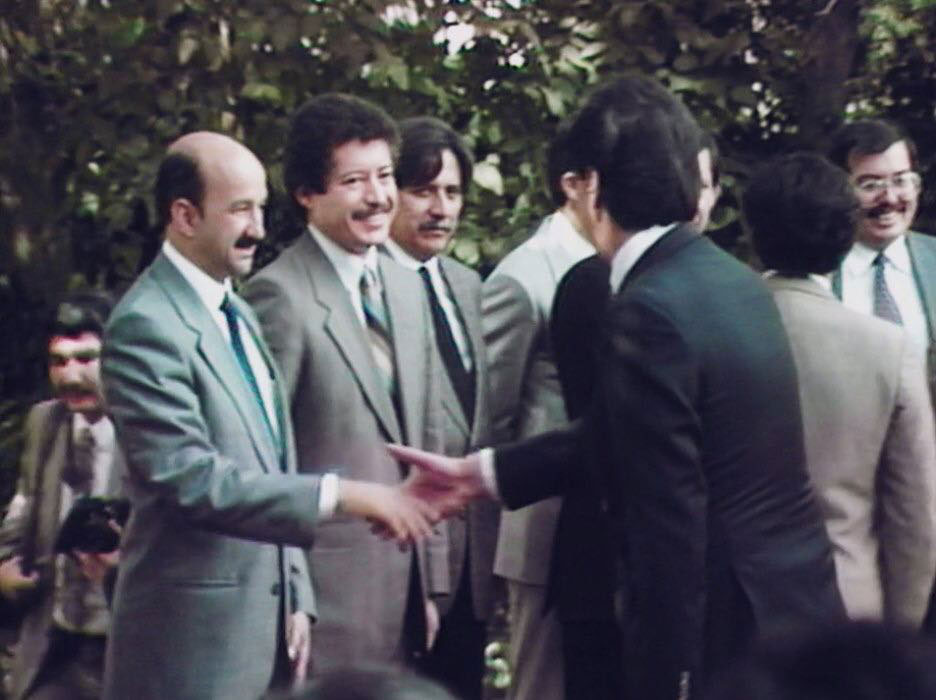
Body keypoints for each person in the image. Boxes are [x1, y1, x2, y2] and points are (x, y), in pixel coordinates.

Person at [392, 75, 845, 700]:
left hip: (719, 632)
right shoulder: (730, 278)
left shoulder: (648, 306)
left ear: (592, 186)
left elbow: (667, 522)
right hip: (791, 609)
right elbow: (628, 433)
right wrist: (486, 475)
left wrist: (669, 678)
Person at [100, 131, 436, 700]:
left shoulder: (237, 310)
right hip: (191, 647)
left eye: (260, 208)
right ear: (184, 216)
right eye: (239, 210)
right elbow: (189, 480)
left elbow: (274, 459)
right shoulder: (146, 325)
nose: (258, 228)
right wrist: (342, 495)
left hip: (269, 637)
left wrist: (296, 591)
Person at [242, 95, 448, 671]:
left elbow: (429, 442)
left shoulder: (407, 286)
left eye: (385, 176)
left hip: (405, 596)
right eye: (354, 181)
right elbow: (261, 464)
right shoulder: (278, 296)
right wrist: (292, 594)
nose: (378, 197)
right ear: (307, 193)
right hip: (323, 600)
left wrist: (431, 583)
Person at [744, 151, 936, 626]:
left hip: (737, 604)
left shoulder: (713, 330)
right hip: (850, 605)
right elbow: (915, 516)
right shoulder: (887, 347)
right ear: (847, 231)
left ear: (753, 232)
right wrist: (901, 631)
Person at [383, 116, 499, 699]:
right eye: (423, 191)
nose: (441, 209)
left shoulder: (469, 284)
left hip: (472, 561)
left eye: (452, 193)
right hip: (399, 558)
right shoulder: (367, 289)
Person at [480, 121, 595, 700]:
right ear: (573, 184)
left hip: (603, 522)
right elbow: (492, 413)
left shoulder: (617, 261)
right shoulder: (525, 273)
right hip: (543, 520)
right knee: (542, 681)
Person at [0, 291, 121, 699]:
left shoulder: (148, 431)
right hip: (55, 645)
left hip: (127, 646)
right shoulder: (45, 422)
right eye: (58, 362)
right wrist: (4, 564)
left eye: (86, 359)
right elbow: (23, 506)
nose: (70, 377)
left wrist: (124, 568)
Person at [828, 119, 936, 365]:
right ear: (838, 191)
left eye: (900, 180)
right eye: (870, 185)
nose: (889, 198)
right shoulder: (815, 272)